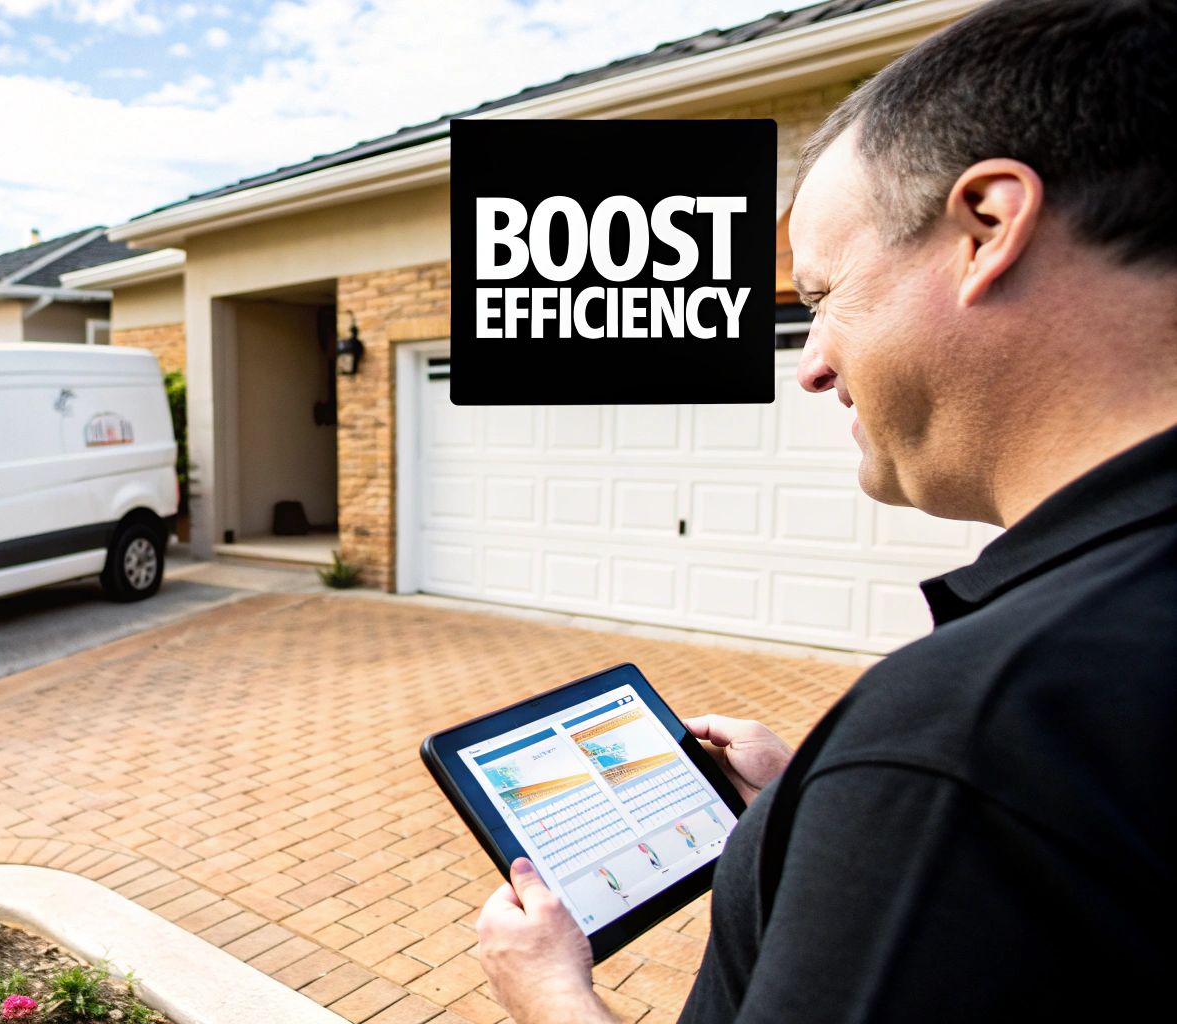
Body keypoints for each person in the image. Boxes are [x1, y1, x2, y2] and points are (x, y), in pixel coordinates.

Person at [474, 0, 1177, 1019]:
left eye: (818, 298)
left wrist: (546, 991)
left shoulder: (971, 727)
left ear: (985, 224)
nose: (806, 365)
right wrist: (817, 798)